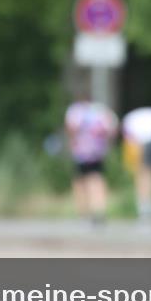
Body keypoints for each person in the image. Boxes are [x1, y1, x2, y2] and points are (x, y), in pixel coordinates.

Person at [64, 96, 118, 225]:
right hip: (97, 152)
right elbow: (112, 128)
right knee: (97, 180)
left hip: (81, 152)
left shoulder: (75, 110)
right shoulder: (100, 110)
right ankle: (99, 210)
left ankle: (84, 213)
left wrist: (72, 142)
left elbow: (71, 128)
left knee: (80, 182)